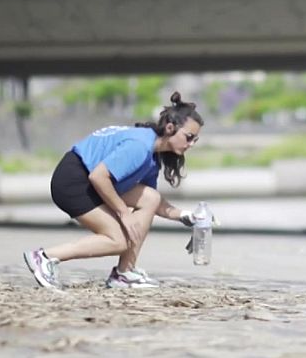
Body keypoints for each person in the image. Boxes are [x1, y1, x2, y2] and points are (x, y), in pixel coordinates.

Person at [23, 91, 202, 290]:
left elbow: (151, 203)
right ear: (170, 128)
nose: (192, 144)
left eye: (196, 140)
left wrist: (186, 216)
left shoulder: (152, 157)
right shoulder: (140, 147)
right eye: (189, 137)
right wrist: (123, 213)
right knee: (118, 240)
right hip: (74, 181)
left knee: (150, 197)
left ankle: (124, 274)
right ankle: (44, 257)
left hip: (90, 178)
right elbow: (98, 177)